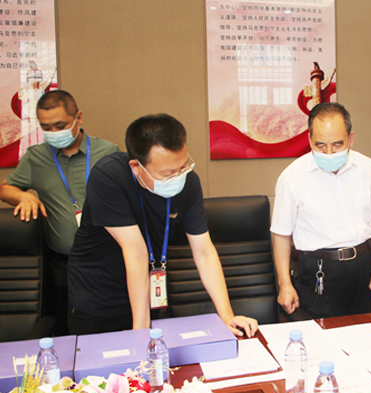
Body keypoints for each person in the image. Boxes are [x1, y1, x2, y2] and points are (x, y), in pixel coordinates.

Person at [67, 113, 257, 337]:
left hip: (147, 292)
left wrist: (226, 316)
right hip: (99, 297)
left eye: (183, 166)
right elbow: (136, 252)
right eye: (168, 173)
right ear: (136, 167)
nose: (179, 176)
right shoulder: (108, 177)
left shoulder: (188, 182)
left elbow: (204, 251)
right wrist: (141, 333)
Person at [0, 90, 119, 335]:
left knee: (107, 329)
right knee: (64, 329)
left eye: (60, 126)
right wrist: (24, 196)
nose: (54, 133)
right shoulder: (36, 157)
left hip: (105, 261)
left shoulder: (108, 151)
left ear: (78, 118)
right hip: (62, 265)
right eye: (46, 128)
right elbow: (5, 188)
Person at [271, 102, 371, 319]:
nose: (329, 153)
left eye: (337, 144)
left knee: (367, 331)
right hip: (319, 269)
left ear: (351, 138)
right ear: (309, 139)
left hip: (364, 266)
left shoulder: (369, 169)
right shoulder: (292, 177)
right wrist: (284, 284)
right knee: (322, 336)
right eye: (320, 145)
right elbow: (281, 235)